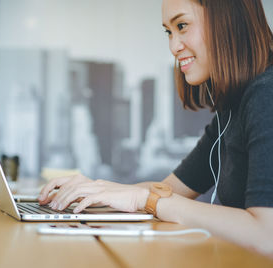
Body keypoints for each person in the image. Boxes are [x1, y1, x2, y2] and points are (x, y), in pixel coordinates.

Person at [38, 0, 273, 257]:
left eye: (182, 26)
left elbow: (266, 235)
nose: (173, 46)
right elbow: (170, 189)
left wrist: (147, 200)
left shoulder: (266, 94)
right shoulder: (234, 106)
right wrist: (97, 190)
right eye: (169, 32)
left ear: (228, 19)